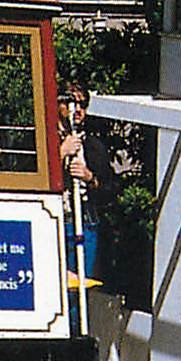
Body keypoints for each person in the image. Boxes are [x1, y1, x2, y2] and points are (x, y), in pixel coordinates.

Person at [58, 82, 118, 281]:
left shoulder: (93, 146)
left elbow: (110, 189)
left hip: (86, 220)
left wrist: (89, 177)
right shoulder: (44, 140)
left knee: (81, 283)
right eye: (72, 103)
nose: (78, 110)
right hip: (57, 218)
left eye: (83, 105)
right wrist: (61, 153)